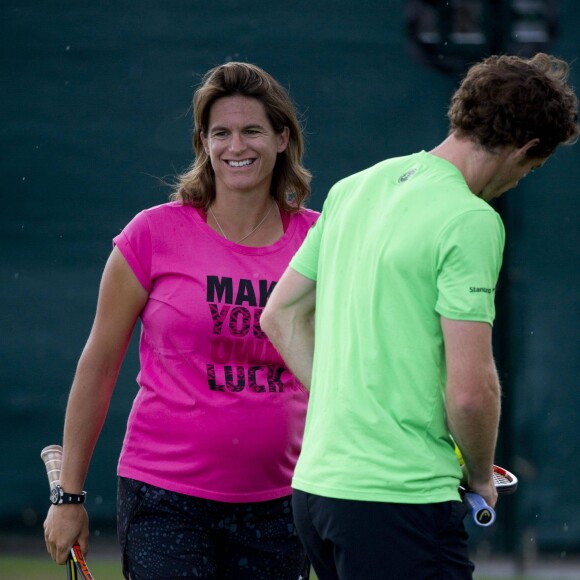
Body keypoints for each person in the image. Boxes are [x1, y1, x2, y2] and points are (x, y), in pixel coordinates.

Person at [261, 52, 579, 579]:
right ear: (524, 148)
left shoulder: (354, 188)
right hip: (398, 503)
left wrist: (354, 406)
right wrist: (480, 474)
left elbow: (281, 315)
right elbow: (471, 392)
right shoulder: (470, 219)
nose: (522, 179)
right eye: (532, 167)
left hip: (317, 496)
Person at [43, 61, 318, 580]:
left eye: (252, 130)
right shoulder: (152, 235)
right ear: (204, 143)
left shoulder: (318, 240)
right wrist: (69, 496)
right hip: (165, 499)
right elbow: (99, 366)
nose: (236, 146)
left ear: (282, 138)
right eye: (221, 133)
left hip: (283, 504)